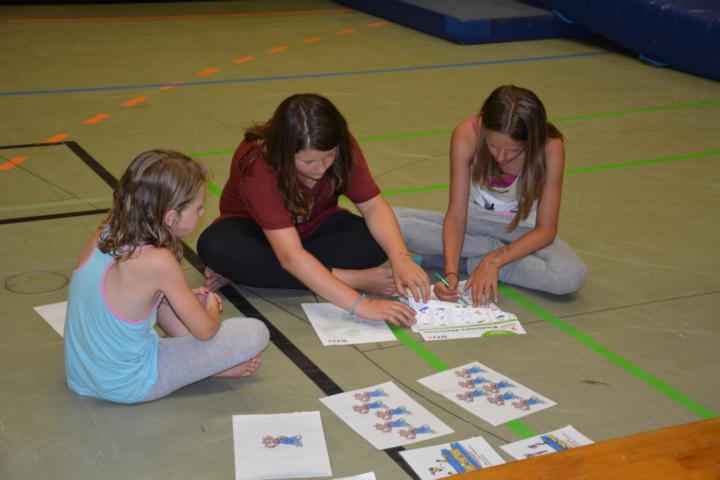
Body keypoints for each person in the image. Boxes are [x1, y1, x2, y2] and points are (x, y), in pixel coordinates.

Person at [197, 93, 429, 326]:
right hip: (256, 235)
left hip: (312, 230)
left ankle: (268, 272)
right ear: (282, 152)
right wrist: (362, 303)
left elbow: (373, 206)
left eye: (329, 156)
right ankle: (346, 276)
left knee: (375, 240)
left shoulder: (340, 144)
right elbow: (290, 255)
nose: (320, 169)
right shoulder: (258, 164)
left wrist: (401, 259)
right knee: (216, 246)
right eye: (308, 162)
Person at [64, 150, 270, 404]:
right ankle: (212, 367)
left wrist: (180, 297)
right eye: (198, 208)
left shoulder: (106, 231)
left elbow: (139, 299)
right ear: (172, 217)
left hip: (82, 375)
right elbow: (206, 331)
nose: (202, 212)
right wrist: (211, 308)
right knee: (254, 332)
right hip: (130, 383)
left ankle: (205, 365)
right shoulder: (159, 261)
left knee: (182, 323)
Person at [395, 85, 587, 306]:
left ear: (531, 140)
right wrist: (450, 274)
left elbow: (546, 229)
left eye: (513, 150)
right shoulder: (466, 135)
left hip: (523, 234)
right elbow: (456, 215)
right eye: (493, 145)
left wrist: (495, 261)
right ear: (484, 128)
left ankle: (468, 262)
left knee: (569, 276)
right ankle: (475, 256)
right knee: (391, 222)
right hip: (472, 228)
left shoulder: (550, 147)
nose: (501, 157)